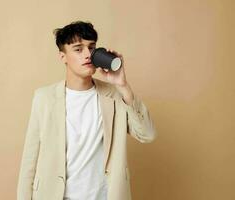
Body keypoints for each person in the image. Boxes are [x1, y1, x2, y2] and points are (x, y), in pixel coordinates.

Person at [17, 21, 156, 200]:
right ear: (63, 57)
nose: (88, 54)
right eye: (78, 49)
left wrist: (123, 85)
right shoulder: (44, 98)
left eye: (92, 47)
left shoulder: (114, 94)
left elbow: (147, 134)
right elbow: (30, 160)